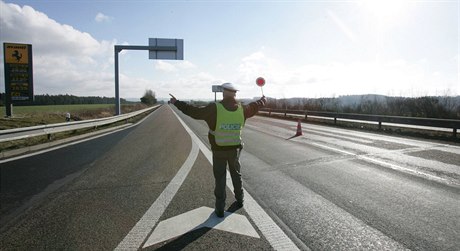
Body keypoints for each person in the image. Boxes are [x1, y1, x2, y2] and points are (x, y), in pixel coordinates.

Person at [170, 83, 266, 217]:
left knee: (220, 178)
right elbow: (255, 106)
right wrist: (263, 100)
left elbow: (194, 111)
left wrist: (176, 102)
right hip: (235, 150)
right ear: (235, 94)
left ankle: (220, 208)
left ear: (223, 93)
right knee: (236, 174)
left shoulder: (214, 108)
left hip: (218, 149)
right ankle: (240, 200)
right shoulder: (242, 109)